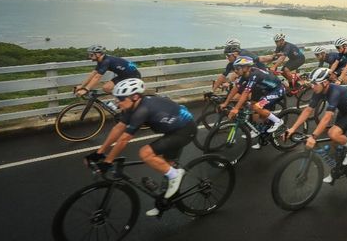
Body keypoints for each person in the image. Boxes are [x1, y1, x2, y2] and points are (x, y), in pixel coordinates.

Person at [85, 78, 197, 216]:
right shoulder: (131, 106)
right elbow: (118, 128)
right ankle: (165, 201)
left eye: (121, 99)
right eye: (117, 98)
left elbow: (124, 139)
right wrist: (99, 153)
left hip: (184, 130)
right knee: (165, 166)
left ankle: (176, 174)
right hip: (173, 129)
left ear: (135, 97)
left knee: (145, 153)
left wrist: (108, 162)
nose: (117, 102)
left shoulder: (142, 110)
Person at [286, 68, 347, 182]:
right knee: (335, 143)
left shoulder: (335, 91)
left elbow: (327, 117)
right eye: (311, 83)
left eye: (315, 84)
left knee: (333, 133)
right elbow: (308, 110)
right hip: (343, 113)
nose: (312, 86)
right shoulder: (319, 90)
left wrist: (313, 137)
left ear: (325, 82)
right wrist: (292, 128)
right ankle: (338, 169)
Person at [218, 56, 284, 148]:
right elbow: (236, 88)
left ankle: (278, 121)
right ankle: (263, 134)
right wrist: (226, 103)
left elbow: (246, 92)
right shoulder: (244, 75)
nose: (235, 71)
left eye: (237, 68)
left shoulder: (254, 74)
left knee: (257, 107)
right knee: (254, 107)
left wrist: (236, 108)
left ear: (246, 67)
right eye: (234, 68)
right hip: (264, 90)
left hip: (276, 90)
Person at [75, 45, 141, 101]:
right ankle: (121, 99)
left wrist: (86, 89)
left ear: (98, 54)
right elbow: (93, 74)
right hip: (123, 76)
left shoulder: (106, 61)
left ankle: (126, 101)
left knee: (121, 93)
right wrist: (82, 86)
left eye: (91, 55)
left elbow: (97, 77)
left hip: (133, 76)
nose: (89, 57)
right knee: (106, 88)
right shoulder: (101, 60)